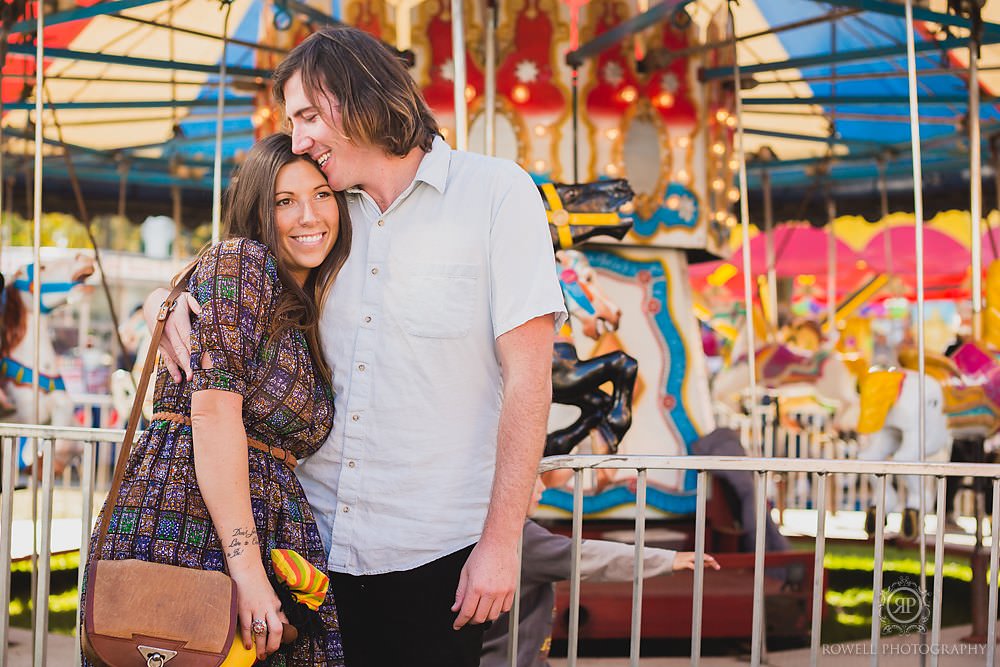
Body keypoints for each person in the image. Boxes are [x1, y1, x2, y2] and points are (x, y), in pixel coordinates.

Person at [147, 26, 566, 667]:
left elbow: (531, 379)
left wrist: (503, 540)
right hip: (305, 549)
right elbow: (233, 278)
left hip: (435, 554)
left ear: (361, 95)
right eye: (294, 121)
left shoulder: (496, 195)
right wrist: (166, 303)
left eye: (310, 115)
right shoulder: (320, 211)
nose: (301, 137)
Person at [86, 133, 351, 665]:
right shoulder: (243, 262)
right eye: (284, 200)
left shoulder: (301, 301)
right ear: (258, 210)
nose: (308, 215)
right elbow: (211, 414)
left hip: (260, 528)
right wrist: (247, 571)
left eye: (322, 194)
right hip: (190, 521)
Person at [480, 481, 721, 667]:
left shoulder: (487, 527)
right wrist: (668, 559)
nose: (543, 488)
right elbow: (590, 556)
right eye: (535, 478)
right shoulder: (522, 537)